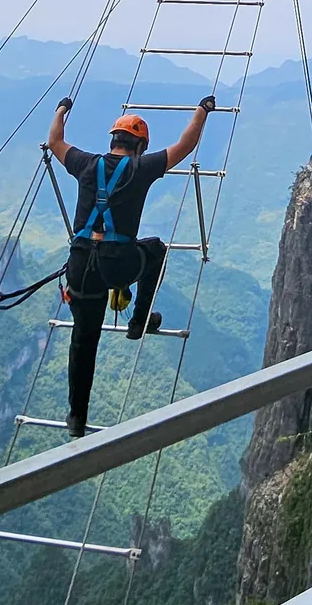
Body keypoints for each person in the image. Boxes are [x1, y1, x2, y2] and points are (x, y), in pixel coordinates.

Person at [47, 94, 216, 438]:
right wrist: (202, 110)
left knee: (83, 341)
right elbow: (185, 145)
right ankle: (139, 320)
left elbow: (55, 141)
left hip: (79, 267)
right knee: (155, 250)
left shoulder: (85, 164)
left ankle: (76, 419)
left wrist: (62, 109)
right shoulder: (141, 168)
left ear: (113, 141)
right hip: (118, 265)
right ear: (139, 146)